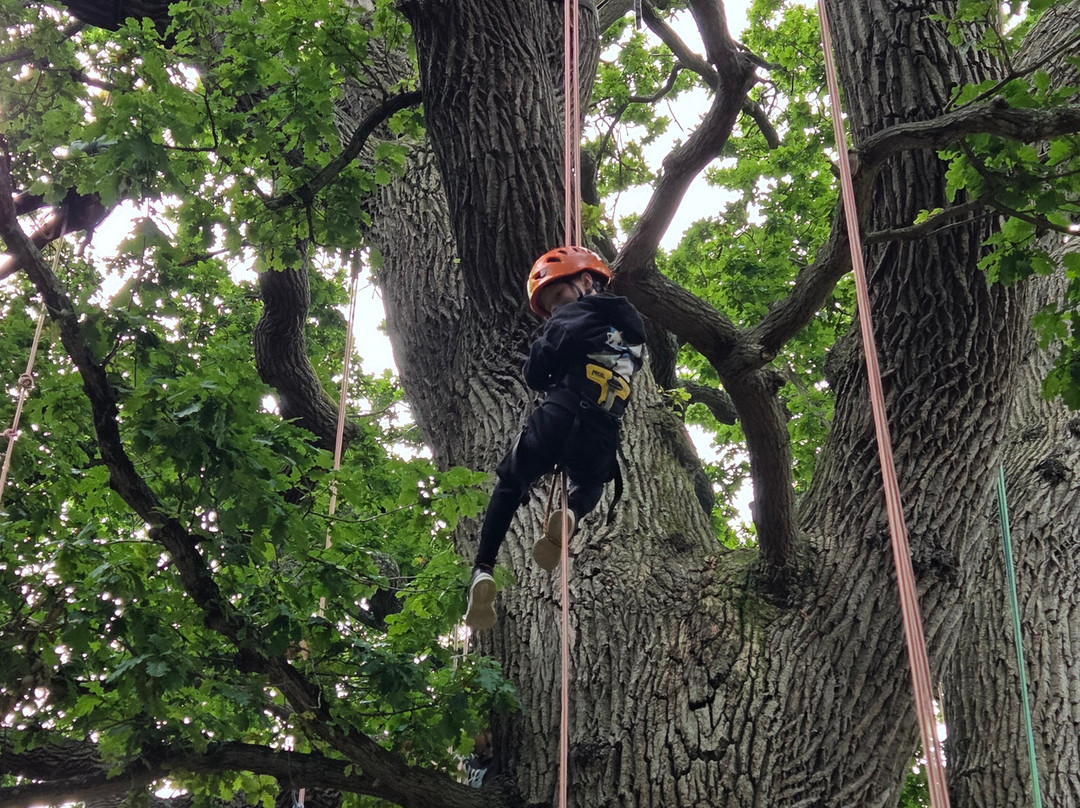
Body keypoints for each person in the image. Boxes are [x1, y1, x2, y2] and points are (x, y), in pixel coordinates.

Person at [465, 246, 646, 631]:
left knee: (511, 483)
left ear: (585, 281)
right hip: (602, 430)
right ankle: (574, 511)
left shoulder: (572, 316)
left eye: (558, 298)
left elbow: (535, 373)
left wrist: (550, 346)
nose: (555, 311)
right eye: (548, 309)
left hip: (560, 414)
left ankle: (483, 567)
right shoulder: (635, 333)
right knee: (594, 481)